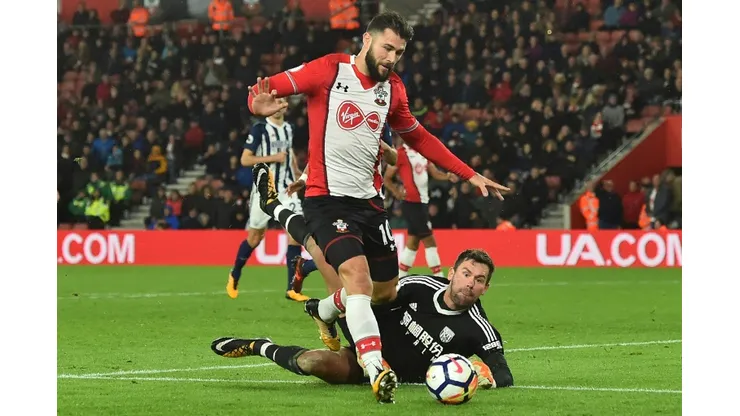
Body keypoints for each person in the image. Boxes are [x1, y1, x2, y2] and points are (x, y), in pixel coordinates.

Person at [247, 11, 509, 403]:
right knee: (357, 278)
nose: (392, 58)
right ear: (367, 40)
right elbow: (266, 88)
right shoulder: (329, 70)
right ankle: (375, 369)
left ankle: (324, 309)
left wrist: (468, 173)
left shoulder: (394, 89)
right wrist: (256, 106)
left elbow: (419, 136)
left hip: (370, 204)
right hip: (327, 198)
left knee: (384, 293)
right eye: (388, 48)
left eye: (399, 52)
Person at [211, 249, 514, 394]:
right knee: (355, 286)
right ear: (452, 273)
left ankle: (270, 340)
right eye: (466, 274)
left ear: (485, 288)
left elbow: (503, 372)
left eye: (479, 280)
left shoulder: (478, 328)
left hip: (387, 377)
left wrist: (487, 376)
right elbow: (373, 303)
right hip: (368, 344)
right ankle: (272, 339)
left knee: (311, 362)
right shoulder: (420, 286)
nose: (470, 283)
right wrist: (365, 348)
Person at [226, 98, 316, 302]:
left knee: (295, 234)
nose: (277, 106)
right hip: (263, 190)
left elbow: (289, 153)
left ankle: (292, 288)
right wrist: (273, 158)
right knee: (255, 238)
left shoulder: (289, 128)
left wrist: (298, 174)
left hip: (286, 189)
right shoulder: (260, 129)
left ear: (286, 105)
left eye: (281, 101)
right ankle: (235, 273)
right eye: (274, 101)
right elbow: (245, 159)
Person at [383, 143, 458, 277]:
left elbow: (434, 173)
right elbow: (387, 178)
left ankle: (400, 277)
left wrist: (447, 176)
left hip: (422, 203)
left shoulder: (423, 152)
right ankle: (439, 277)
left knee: (413, 242)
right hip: (412, 204)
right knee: (430, 240)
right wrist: (396, 192)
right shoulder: (400, 153)